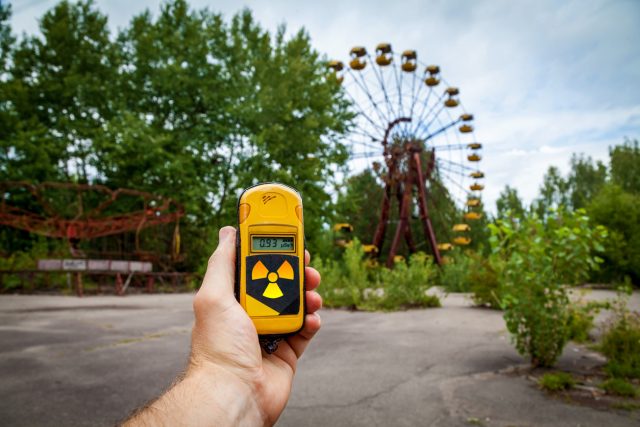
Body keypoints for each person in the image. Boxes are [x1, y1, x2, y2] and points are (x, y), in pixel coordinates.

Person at [124, 226, 323, 426]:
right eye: (262, 243)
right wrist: (226, 370)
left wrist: (228, 378)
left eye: (281, 244)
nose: (273, 274)